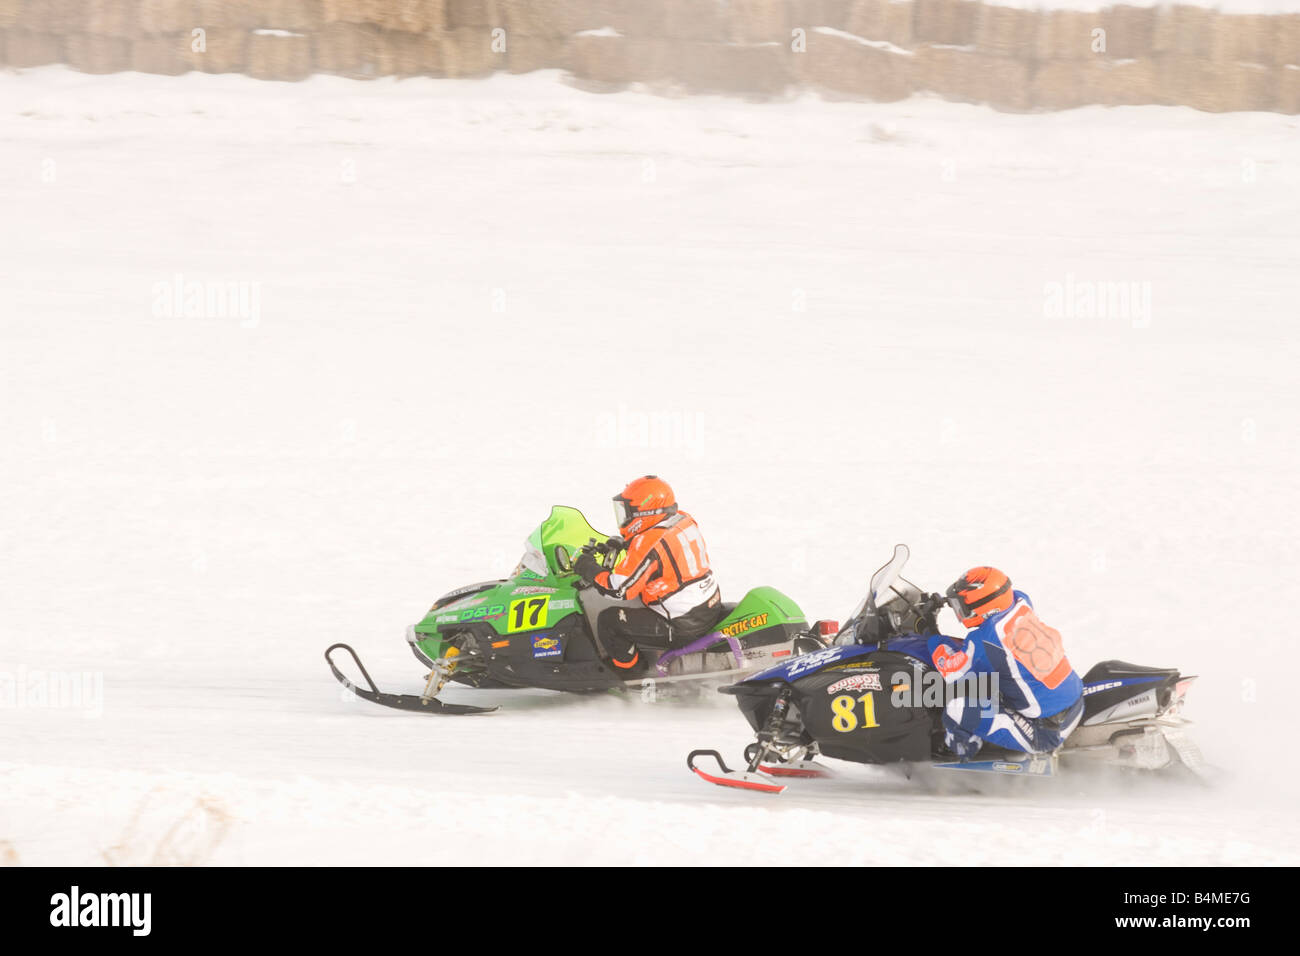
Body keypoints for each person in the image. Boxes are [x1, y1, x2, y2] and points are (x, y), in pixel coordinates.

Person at [926, 567, 1083, 758]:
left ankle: (960, 754)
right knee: (993, 682)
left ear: (985, 608)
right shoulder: (1021, 602)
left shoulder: (986, 639)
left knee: (956, 706)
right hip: (1074, 700)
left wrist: (930, 632)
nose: (960, 613)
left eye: (963, 607)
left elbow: (949, 670)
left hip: (1045, 731)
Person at [573, 476, 723, 673]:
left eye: (628, 512)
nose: (625, 518)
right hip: (706, 604)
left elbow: (619, 589)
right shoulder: (683, 519)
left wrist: (589, 569)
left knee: (609, 621)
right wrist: (627, 544)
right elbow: (667, 552)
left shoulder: (650, 541)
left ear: (646, 512)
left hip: (682, 622)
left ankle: (633, 676)